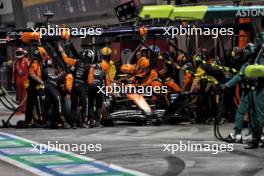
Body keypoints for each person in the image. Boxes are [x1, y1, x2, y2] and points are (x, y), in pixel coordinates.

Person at [222, 43, 257, 143]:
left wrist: (226, 85)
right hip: (257, 93)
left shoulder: (246, 65)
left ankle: (237, 135)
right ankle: (252, 135)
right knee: (253, 114)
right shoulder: (259, 63)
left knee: (240, 113)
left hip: (248, 92)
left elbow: (238, 77)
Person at [58, 44, 94, 128]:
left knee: (74, 104)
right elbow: (90, 81)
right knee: (84, 104)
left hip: (74, 86)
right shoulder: (90, 67)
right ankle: (84, 122)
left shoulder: (76, 61)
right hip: (82, 87)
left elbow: (66, 59)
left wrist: (62, 51)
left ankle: (74, 124)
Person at [42, 56, 71, 129]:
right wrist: (63, 74)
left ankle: (51, 121)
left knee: (52, 104)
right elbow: (57, 79)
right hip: (51, 87)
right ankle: (62, 121)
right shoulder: (54, 71)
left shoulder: (44, 70)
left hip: (47, 88)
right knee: (59, 99)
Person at [25, 47, 46, 127]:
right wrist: (40, 81)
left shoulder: (37, 62)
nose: (43, 56)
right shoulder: (35, 62)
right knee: (31, 104)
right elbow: (32, 74)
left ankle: (31, 120)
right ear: (39, 53)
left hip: (34, 86)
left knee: (32, 104)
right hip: (33, 86)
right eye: (43, 54)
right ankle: (30, 121)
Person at [88, 54, 106, 128]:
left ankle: (91, 122)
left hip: (91, 87)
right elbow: (105, 83)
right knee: (99, 105)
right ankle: (97, 122)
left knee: (91, 104)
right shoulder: (102, 72)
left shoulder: (90, 69)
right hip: (99, 88)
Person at [12, 48, 30, 112]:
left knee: (25, 94)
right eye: (18, 53)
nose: (19, 54)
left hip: (26, 79)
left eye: (20, 52)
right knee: (19, 94)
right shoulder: (15, 62)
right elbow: (14, 72)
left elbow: (30, 70)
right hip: (18, 80)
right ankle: (21, 107)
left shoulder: (26, 61)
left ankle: (24, 107)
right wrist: (13, 81)